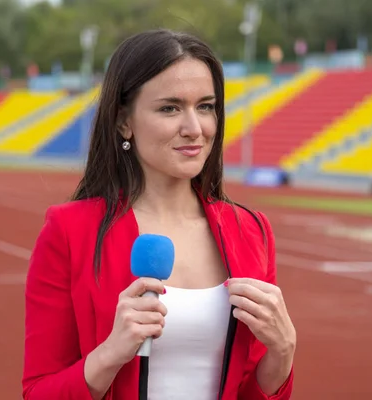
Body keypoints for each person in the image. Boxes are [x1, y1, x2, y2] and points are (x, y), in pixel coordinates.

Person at [22, 29, 296, 400]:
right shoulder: (69, 231)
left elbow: (249, 392)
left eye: (206, 106)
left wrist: (283, 352)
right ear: (124, 122)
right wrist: (108, 356)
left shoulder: (251, 231)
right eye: (170, 108)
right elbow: (39, 391)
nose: (194, 128)